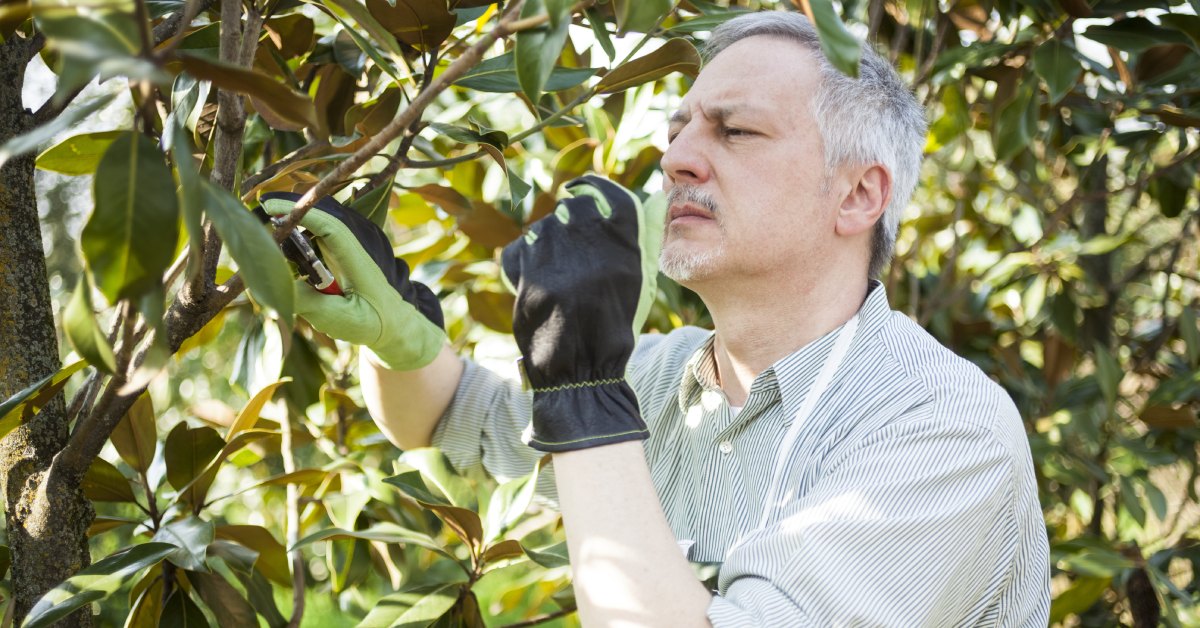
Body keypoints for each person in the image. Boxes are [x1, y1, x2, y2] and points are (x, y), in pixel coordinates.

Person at [267, 10, 1051, 627]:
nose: (676, 157)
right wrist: (399, 334)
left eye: (734, 131)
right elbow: (447, 416)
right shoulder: (657, 372)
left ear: (857, 195)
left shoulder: (942, 429)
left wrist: (583, 394)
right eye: (679, 129)